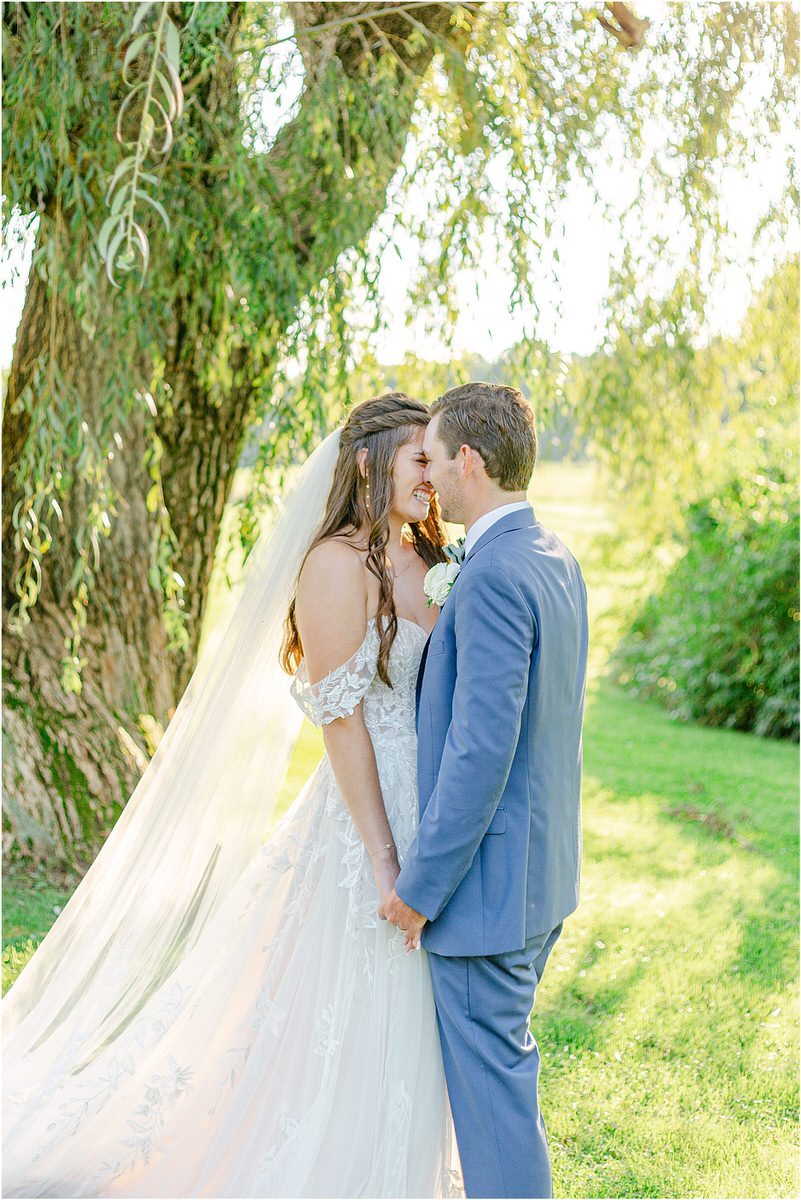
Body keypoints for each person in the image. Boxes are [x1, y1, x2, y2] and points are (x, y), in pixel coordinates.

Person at [2, 394, 464, 1199]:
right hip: (367, 820)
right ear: (368, 461)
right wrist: (384, 859)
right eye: (419, 458)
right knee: (349, 999)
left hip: (432, 801)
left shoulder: (432, 559)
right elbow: (343, 724)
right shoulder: (330, 565)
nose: (435, 474)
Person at [381, 382, 589, 1199]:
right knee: (504, 1086)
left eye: (431, 456)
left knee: (495, 1117)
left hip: (484, 899)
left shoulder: (495, 575)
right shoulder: (550, 556)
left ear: (468, 459)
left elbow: (479, 754)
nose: (426, 475)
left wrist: (419, 888)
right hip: (539, 881)